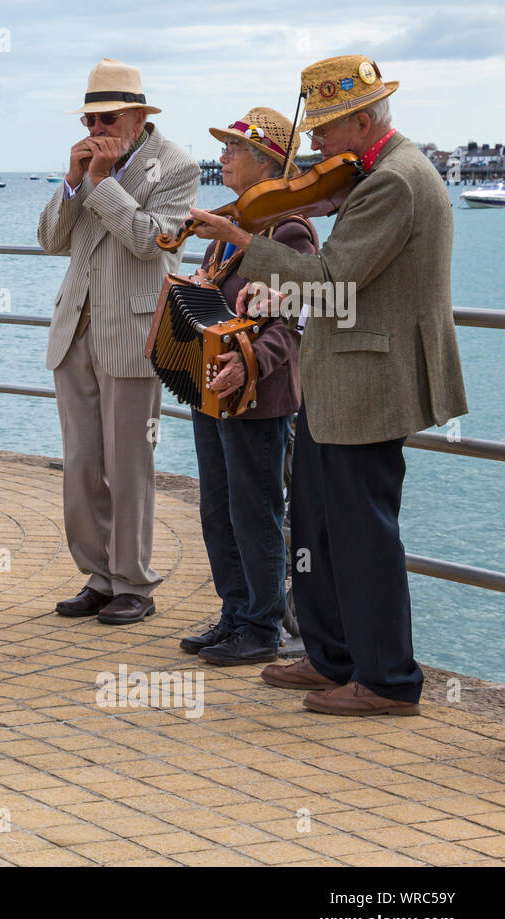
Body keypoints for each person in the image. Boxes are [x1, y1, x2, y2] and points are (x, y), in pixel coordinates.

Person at [189, 56, 467, 716]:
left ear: (364, 121)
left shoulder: (393, 182)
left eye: (323, 131)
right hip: (339, 379)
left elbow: (332, 275)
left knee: (363, 531)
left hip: (371, 379)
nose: (310, 146)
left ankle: (388, 680)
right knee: (313, 522)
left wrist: (242, 239)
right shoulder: (373, 174)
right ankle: (332, 654)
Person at [37, 58, 200, 625]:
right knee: (81, 463)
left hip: (133, 331)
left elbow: (149, 241)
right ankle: (99, 576)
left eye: (105, 119)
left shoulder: (177, 166)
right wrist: (71, 182)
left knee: (129, 465)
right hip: (74, 330)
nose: (94, 130)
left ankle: (135, 582)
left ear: (135, 116)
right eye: (88, 119)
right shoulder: (85, 162)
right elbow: (50, 241)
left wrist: (102, 185)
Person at [174, 109, 318, 666]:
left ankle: (262, 626)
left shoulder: (289, 229)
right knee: (218, 506)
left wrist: (251, 360)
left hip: (258, 395)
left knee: (256, 510)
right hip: (214, 387)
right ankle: (235, 613)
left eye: (233, 149)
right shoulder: (230, 224)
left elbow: (299, 316)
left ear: (266, 161)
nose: (224, 157)